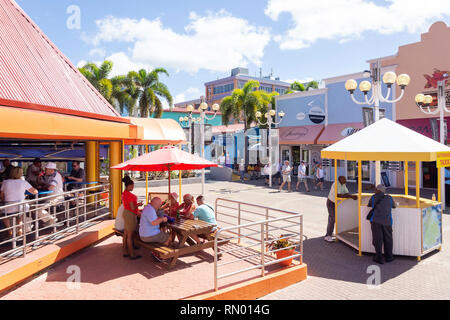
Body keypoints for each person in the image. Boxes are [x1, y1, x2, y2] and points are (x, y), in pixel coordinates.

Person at [0, 167, 38, 237]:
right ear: (20, 174)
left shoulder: (5, 182)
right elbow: (35, 192)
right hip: (21, 206)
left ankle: (10, 230)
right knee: (20, 215)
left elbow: (2, 196)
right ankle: (20, 229)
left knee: (3, 215)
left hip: (8, 207)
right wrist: (24, 193)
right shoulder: (23, 182)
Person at [368, 184, 396, 264]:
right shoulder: (389, 198)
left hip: (375, 221)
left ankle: (378, 258)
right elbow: (394, 206)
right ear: (384, 191)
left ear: (377, 190)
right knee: (388, 239)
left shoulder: (373, 197)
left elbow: (369, 205)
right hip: (387, 222)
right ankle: (389, 257)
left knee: (378, 240)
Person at [325, 176, 357, 243]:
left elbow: (346, 193)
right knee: (333, 218)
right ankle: (327, 235)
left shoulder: (343, 184)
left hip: (335, 203)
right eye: (344, 179)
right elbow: (338, 195)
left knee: (332, 218)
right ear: (340, 180)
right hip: (331, 203)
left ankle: (329, 232)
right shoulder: (336, 184)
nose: (345, 180)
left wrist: (350, 196)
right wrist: (351, 196)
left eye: (345, 179)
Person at [121, 175, 142, 260]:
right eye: (133, 185)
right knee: (129, 235)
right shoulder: (130, 195)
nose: (133, 187)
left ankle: (125, 251)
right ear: (129, 185)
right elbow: (133, 207)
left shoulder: (124, 193)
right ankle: (132, 254)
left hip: (126, 212)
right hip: (130, 214)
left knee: (125, 234)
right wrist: (138, 204)